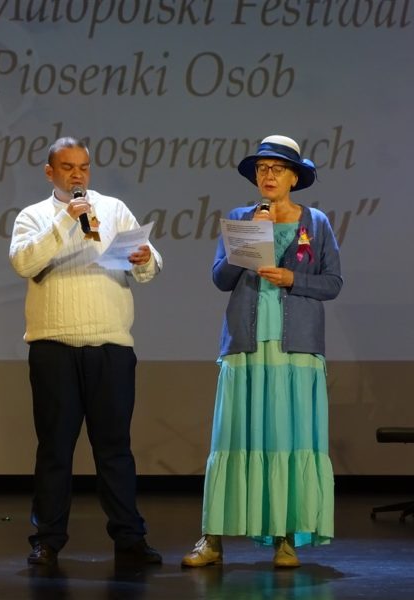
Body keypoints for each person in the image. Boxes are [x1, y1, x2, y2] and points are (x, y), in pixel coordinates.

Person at [181, 135, 342, 569]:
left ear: (294, 177)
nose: (268, 175)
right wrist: (253, 237)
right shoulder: (241, 218)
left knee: (289, 440)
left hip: (296, 351)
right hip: (246, 346)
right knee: (234, 438)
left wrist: (293, 279)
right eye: (262, 168)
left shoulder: (316, 223)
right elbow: (221, 279)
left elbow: (333, 282)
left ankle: (287, 538)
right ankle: (213, 539)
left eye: (277, 168)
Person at [9, 136, 163, 567]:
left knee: (115, 449)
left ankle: (129, 537)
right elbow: (23, 263)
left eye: (83, 167)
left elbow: (150, 268)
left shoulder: (113, 209)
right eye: (67, 167)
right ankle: (47, 539)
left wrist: (145, 258)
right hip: (54, 347)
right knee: (55, 450)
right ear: (50, 172)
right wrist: (65, 220)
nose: (77, 174)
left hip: (111, 346)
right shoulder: (33, 216)